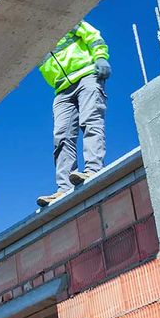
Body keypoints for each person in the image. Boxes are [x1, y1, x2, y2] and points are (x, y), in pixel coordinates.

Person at [37, 20, 111, 207]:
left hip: (86, 75)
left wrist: (100, 57)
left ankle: (93, 169)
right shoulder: (32, 39)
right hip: (61, 89)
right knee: (61, 137)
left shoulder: (62, 17)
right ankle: (64, 187)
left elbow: (92, 35)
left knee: (90, 121)